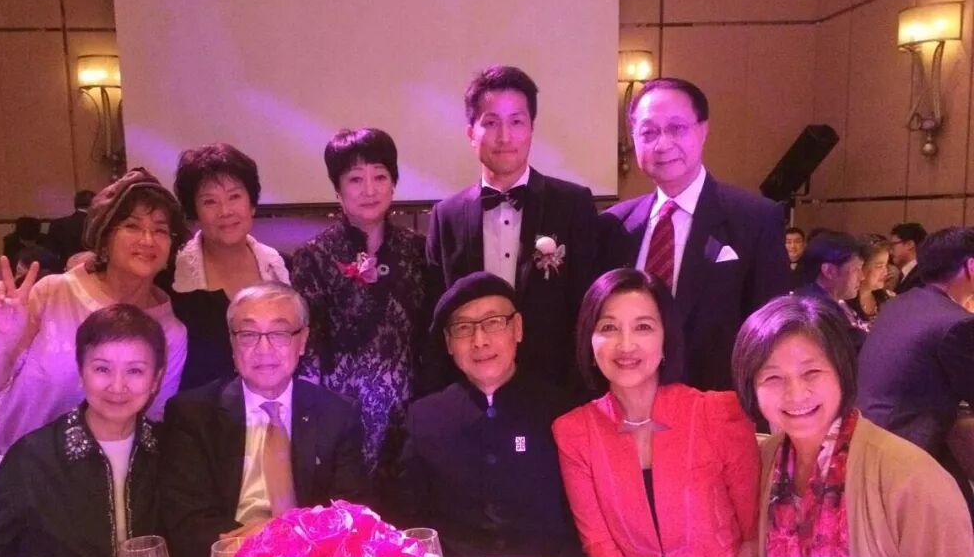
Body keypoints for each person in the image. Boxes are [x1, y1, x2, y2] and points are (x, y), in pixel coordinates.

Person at [731, 295, 974, 557]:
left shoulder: (912, 480)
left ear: (841, 371)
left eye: (812, 372)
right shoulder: (763, 461)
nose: (796, 394)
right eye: (773, 378)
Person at [0, 305, 168, 557]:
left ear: (155, 380)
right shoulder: (34, 458)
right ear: (81, 373)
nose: (117, 385)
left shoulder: (167, 450)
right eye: (102, 369)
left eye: (135, 371)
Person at [552, 269, 759, 557]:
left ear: (666, 340)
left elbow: (754, 534)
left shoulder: (720, 413)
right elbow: (599, 543)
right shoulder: (574, 431)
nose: (626, 344)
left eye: (643, 327)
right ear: (589, 342)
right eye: (608, 328)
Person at [0, 168, 188, 452]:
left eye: (160, 230)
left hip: (102, 470)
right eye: (132, 226)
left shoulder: (170, 331)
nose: (147, 240)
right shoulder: (54, 293)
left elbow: (152, 423)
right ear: (104, 237)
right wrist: (4, 340)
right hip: (17, 461)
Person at [158, 282, 368, 557]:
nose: (264, 349)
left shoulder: (337, 413)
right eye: (248, 334)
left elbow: (350, 511)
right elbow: (187, 521)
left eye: (279, 333)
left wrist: (279, 535)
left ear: (302, 341)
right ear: (232, 343)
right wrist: (259, 550)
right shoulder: (193, 413)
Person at [602, 77, 789, 392]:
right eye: (648, 132)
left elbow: (773, 330)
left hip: (715, 403)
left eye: (677, 128)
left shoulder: (755, 219)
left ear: (703, 130)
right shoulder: (614, 225)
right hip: (626, 404)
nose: (663, 144)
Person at [392, 272, 586, 557]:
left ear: (517, 328)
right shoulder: (424, 417)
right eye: (463, 328)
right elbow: (408, 519)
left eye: (493, 322)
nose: (479, 341)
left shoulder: (563, 411)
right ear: (448, 343)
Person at [426, 65, 600, 388]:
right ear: (470, 133)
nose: (504, 137)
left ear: (532, 128)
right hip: (472, 388)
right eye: (491, 123)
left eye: (516, 122)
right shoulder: (445, 216)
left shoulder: (573, 205)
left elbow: (588, 307)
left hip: (554, 388)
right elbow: (438, 317)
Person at [291, 129, 432, 485]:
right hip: (340, 421)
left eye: (380, 177)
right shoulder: (314, 256)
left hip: (407, 415)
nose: (369, 190)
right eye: (356, 179)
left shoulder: (418, 251)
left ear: (393, 183)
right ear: (337, 189)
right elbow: (308, 354)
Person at [857, 226, 974, 515]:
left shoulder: (902, 303)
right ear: (971, 266)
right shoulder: (955, 323)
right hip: (908, 446)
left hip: (871, 435)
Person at [169, 143, 289, 390]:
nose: (225, 211)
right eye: (210, 202)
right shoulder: (170, 278)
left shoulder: (284, 268)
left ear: (251, 203)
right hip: (195, 411)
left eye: (235, 197)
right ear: (194, 212)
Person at [793, 230, 866, 350]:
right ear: (829, 271)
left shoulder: (811, 297)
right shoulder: (815, 311)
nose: (862, 277)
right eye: (856, 269)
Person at [846, 235, 892, 325]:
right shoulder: (842, 305)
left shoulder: (889, 299)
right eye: (879, 266)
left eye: (886, 265)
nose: (885, 272)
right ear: (860, 267)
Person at [46, 189, 94, 266]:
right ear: (93, 204)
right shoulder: (96, 224)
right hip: (90, 267)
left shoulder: (57, 224)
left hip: (65, 267)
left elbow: (51, 252)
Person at [889, 221, 927, 294]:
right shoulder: (906, 274)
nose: (890, 252)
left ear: (909, 244)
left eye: (893, 244)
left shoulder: (920, 277)